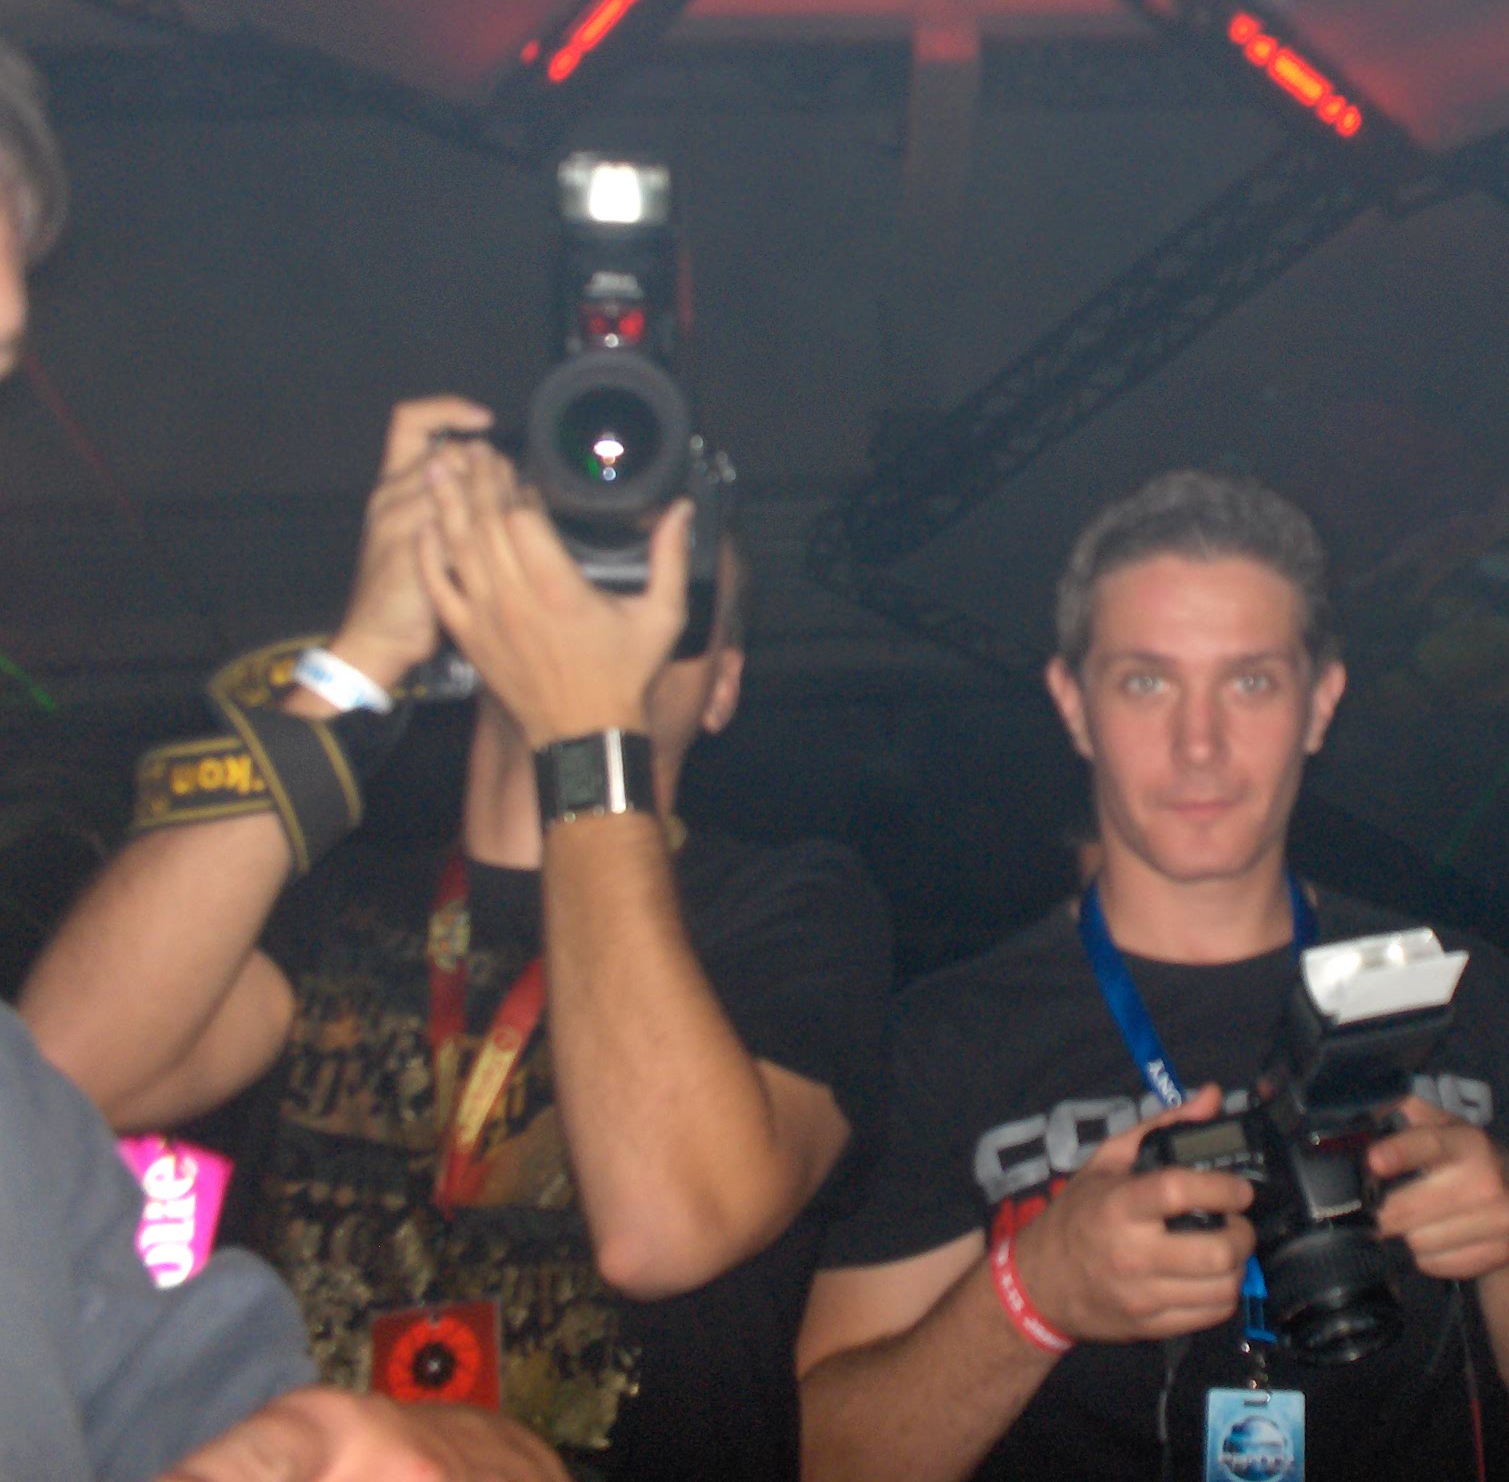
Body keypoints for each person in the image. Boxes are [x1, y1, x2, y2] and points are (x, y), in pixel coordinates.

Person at [22, 398, 888, 1470]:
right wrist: (361, 656)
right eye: (571, 567)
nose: (603, 608)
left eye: (672, 593)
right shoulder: (331, 902)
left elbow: (665, 1228)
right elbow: (54, 1080)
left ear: (723, 689)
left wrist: (586, 728)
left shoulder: (789, 911)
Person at [795, 469, 1509, 1482]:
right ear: (1073, 705)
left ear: (1320, 703)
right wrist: (1034, 1295)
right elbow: (825, 1460)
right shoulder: (952, 1033)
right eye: (1146, 682)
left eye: (1250, 683)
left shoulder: (1452, 987)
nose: (1198, 745)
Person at [0, 37, 564, 1481]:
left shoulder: (791, 915)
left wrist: (381, 1451)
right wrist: (358, 668)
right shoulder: (344, 924)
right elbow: (81, 1062)